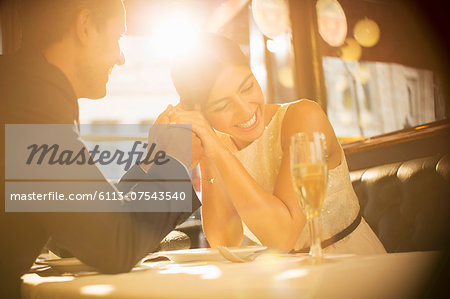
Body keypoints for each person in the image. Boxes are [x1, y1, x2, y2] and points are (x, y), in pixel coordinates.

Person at [0, 1, 200, 297]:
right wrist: (175, 161)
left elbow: (79, 229)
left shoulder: (20, 85)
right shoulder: (32, 99)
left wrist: (152, 163)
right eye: (118, 38)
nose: (120, 58)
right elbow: (113, 245)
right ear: (85, 27)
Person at [167, 33, 386, 254]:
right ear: (201, 113)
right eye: (223, 105)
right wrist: (206, 147)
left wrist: (217, 150)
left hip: (350, 263)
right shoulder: (219, 145)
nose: (245, 110)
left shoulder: (304, 118)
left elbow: (283, 237)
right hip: (289, 278)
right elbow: (224, 240)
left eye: (247, 87)